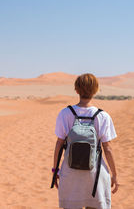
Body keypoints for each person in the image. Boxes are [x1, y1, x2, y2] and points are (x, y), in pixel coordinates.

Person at [52, 73, 119, 209]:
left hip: (70, 173)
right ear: (96, 90)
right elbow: (107, 148)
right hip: (95, 174)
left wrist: (55, 171)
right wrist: (115, 175)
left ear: (76, 90)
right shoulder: (103, 116)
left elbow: (59, 143)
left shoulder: (65, 113)